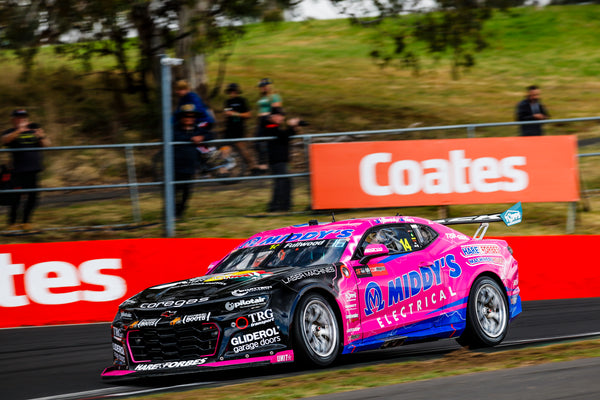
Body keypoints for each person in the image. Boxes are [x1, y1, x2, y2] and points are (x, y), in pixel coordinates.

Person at [1, 109, 51, 230]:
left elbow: (47, 144)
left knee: (33, 197)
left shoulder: (34, 130)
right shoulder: (10, 131)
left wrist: (41, 136)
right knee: (15, 198)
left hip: (34, 169)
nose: (22, 119)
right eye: (19, 117)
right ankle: (12, 223)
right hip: (17, 170)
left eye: (24, 117)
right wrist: (19, 130)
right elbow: (4, 140)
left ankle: (26, 222)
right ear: (13, 120)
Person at [173, 105, 213, 218]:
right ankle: (173, 211)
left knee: (187, 190)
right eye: (186, 116)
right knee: (174, 190)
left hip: (189, 166)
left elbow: (210, 134)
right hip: (175, 166)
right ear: (181, 117)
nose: (189, 118)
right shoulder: (175, 128)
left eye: (192, 116)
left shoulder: (196, 129)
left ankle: (180, 211)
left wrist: (202, 138)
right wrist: (190, 139)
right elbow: (174, 137)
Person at [262, 107, 302, 213]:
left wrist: (293, 128)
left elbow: (285, 138)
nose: (281, 118)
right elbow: (283, 137)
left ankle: (282, 206)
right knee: (281, 183)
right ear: (273, 116)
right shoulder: (270, 126)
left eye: (282, 116)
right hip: (277, 160)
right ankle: (277, 206)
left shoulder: (275, 127)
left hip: (281, 160)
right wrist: (291, 126)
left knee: (283, 182)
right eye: (279, 115)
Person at [222, 83, 260, 172]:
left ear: (237, 91)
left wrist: (235, 114)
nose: (232, 92)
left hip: (239, 128)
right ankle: (225, 170)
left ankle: (253, 166)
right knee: (225, 148)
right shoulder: (227, 102)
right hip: (229, 128)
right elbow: (226, 114)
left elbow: (249, 115)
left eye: (234, 90)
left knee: (242, 148)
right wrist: (226, 115)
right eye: (230, 91)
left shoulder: (242, 100)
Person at [255, 78, 282, 172]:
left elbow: (277, 110)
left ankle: (272, 164)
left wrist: (271, 119)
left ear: (270, 86)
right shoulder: (262, 97)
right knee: (258, 143)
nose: (263, 87)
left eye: (265, 85)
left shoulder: (274, 96)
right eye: (262, 86)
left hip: (269, 120)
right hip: (261, 121)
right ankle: (263, 164)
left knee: (270, 142)